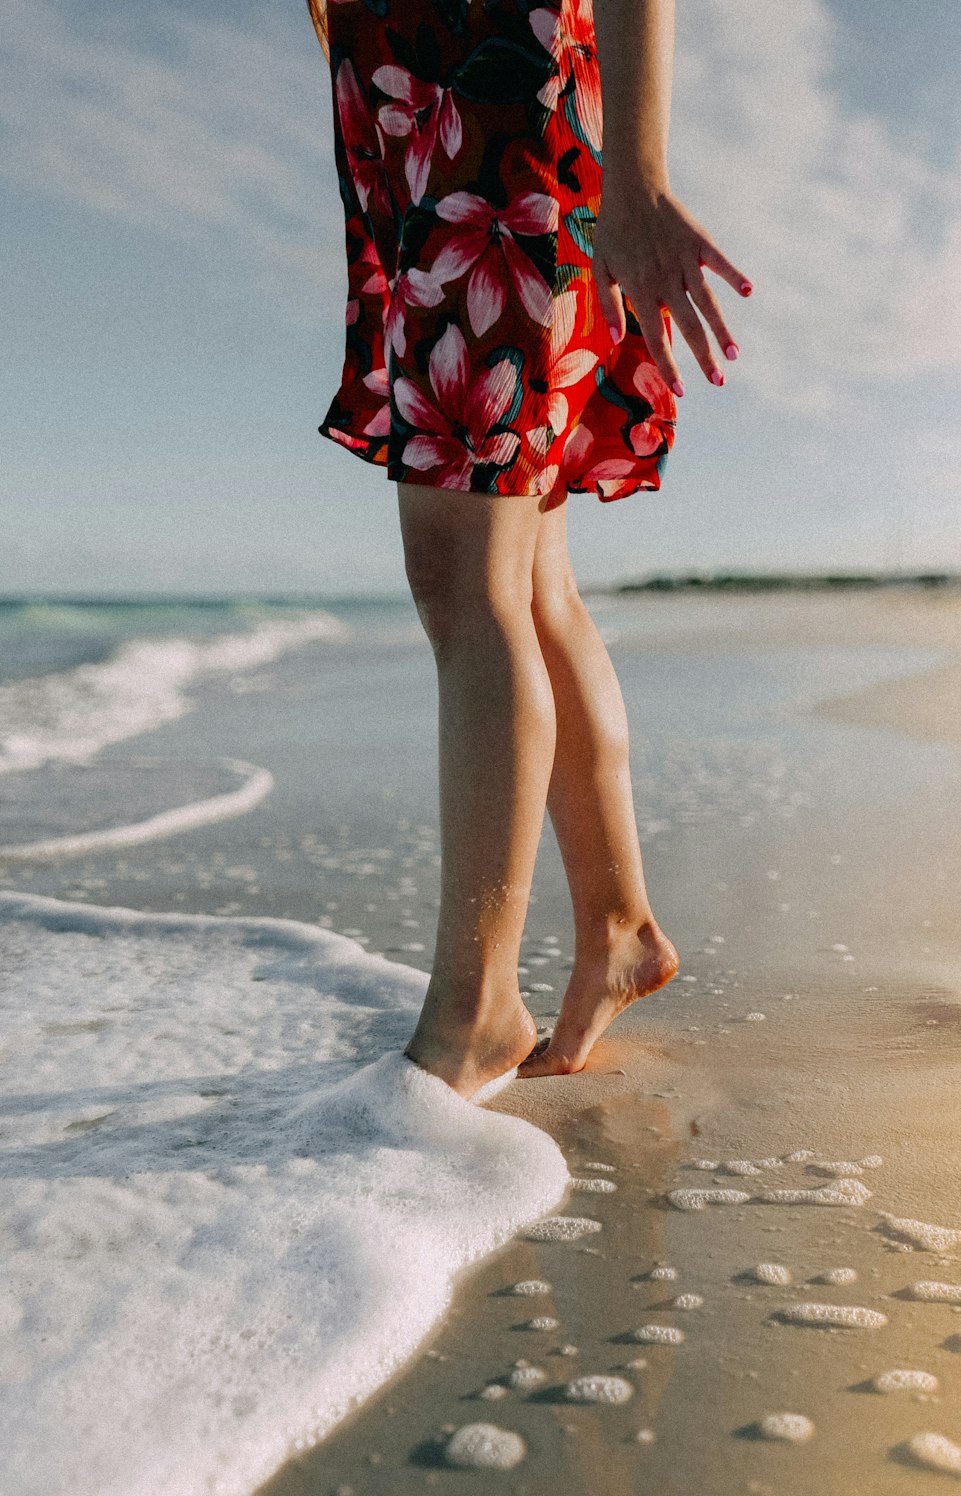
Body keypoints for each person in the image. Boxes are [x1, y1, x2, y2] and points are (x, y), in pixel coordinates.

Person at [308, 0, 751, 1098]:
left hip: (494, 103)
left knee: (467, 576)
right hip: (428, 114)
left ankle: (474, 1014)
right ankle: (616, 925)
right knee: (526, 576)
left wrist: (637, 174)